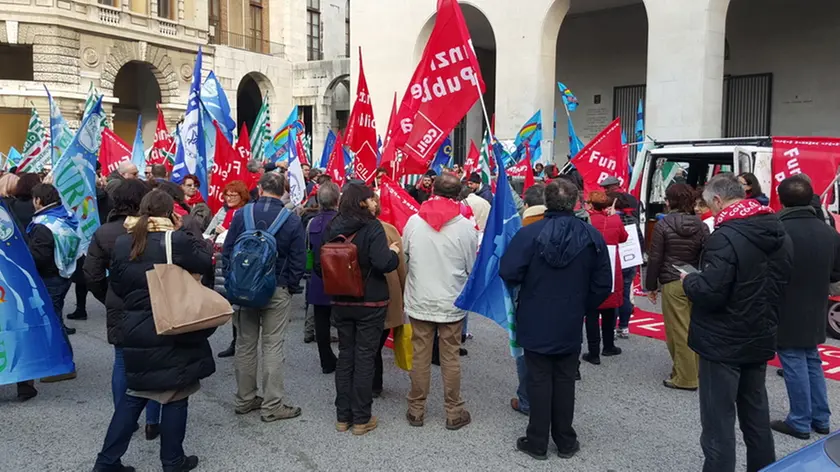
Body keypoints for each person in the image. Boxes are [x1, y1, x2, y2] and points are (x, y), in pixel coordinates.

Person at [92, 190, 215, 472]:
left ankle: (106, 461)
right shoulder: (176, 240)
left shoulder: (125, 242)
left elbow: (118, 286)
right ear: (170, 211)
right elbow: (204, 263)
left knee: (135, 393)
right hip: (171, 322)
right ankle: (172, 460)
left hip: (135, 326)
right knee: (176, 392)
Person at [682, 173, 792, 472]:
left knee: (718, 424)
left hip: (723, 341)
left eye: (708, 205)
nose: (709, 211)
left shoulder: (725, 237)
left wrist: (690, 280)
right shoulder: (777, 229)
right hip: (760, 332)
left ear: (718, 200)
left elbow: (712, 293)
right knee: (756, 417)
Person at [500, 179, 612, 460]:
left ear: (547, 202)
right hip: (570, 315)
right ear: (575, 203)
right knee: (564, 378)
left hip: (537, 313)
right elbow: (603, 284)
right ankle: (564, 439)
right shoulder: (591, 235)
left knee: (539, 378)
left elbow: (509, 271)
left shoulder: (530, 234)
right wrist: (582, 306)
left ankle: (538, 440)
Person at [316, 183, 400, 435]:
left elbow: (319, 267)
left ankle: (343, 417)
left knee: (345, 355)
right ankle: (362, 418)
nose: (376, 202)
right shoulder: (372, 226)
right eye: (372, 199)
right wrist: (394, 252)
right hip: (370, 301)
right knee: (364, 357)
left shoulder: (332, 226)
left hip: (341, 301)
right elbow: (384, 263)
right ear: (363, 203)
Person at [222, 172, 306, 422]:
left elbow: (227, 251)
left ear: (259, 189)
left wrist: (232, 282)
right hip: (275, 288)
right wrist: (289, 285)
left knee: (245, 344)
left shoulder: (241, 215)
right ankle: (272, 405)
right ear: (283, 192)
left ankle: (245, 399)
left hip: (244, 289)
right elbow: (298, 259)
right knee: (272, 345)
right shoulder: (291, 220)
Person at [83, 179, 162, 439]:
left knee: (121, 361)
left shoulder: (104, 232)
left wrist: (108, 295)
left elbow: (92, 273)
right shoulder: (155, 229)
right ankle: (153, 420)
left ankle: (123, 418)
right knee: (154, 362)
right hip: (153, 298)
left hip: (120, 300)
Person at [403, 173, 478, 430]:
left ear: (432, 189)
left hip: (420, 299)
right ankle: (454, 411)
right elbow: (472, 267)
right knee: (450, 357)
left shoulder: (413, 222)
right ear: (459, 195)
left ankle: (416, 410)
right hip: (451, 301)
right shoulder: (467, 227)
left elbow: (405, 257)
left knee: (420, 356)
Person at [771, 176, 840, 440]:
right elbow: (836, 275)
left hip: (785, 303)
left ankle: (800, 420)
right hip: (816, 302)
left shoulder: (777, 228)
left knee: (793, 360)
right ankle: (821, 418)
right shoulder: (829, 232)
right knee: (811, 358)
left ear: (781, 198)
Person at [644, 184, 709, 390]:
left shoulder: (664, 225)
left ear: (669, 201)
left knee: (677, 331)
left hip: (672, 279)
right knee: (693, 327)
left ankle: (685, 376)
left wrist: (651, 285)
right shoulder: (702, 225)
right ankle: (694, 369)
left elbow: (656, 258)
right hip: (695, 279)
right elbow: (706, 254)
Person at [27, 183, 81, 339]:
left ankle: (60, 352)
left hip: (50, 275)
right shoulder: (66, 216)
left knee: (51, 318)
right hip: (66, 269)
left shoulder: (43, 224)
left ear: (38, 200)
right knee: (56, 308)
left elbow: (40, 256)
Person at [202, 180, 250, 358]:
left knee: (238, 306)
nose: (229, 198)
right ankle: (236, 342)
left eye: (233, 195)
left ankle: (241, 343)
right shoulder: (225, 212)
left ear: (242, 196)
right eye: (227, 195)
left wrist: (226, 232)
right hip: (221, 262)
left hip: (237, 263)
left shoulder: (245, 213)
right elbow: (210, 232)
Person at [582, 191, 627, 365]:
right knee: (610, 308)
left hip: (592, 266)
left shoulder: (588, 220)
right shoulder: (615, 219)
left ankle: (593, 352)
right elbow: (623, 237)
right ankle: (609, 346)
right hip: (611, 265)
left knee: (592, 311)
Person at [374, 195, 408, 398]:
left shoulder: (342, 228)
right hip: (386, 294)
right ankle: (375, 385)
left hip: (353, 297)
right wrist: (402, 295)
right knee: (376, 343)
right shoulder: (388, 230)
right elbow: (401, 268)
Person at [306, 182, 341, 373]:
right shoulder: (342, 220)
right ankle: (345, 357)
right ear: (337, 199)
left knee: (321, 320)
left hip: (318, 275)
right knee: (343, 319)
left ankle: (325, 360)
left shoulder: (312, 222)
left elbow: (308, 250)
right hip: (341, 275)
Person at [614, 193, 643, 339]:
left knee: (613, 294)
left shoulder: (613, 220)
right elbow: (640, 240)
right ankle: (624, 326)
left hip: (616, 259)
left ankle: (612, 327)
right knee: (625, 293)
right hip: (630, 260)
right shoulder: (632, 220)